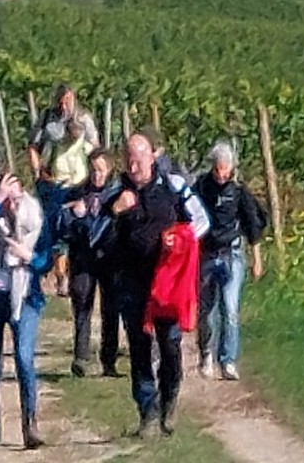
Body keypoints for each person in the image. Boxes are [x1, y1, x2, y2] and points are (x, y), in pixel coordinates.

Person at [107, 131, 206, 437]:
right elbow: (95, 233)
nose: (134, 164)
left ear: (154, 156)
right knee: (139, 347)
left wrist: (181, 241)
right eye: (129, 158)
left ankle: (169, 401)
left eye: (140, 157)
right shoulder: (115, 192)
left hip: (168, 285)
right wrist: (115, 211)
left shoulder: (174, 187)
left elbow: (202, 223)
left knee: (170, 346)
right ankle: (147, 413)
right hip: (132, 283)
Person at [0, 173, 47, 449]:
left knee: (24, 360)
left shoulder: (35, 218)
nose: (12, 205)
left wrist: (31, 258)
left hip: (25, 296)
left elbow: (47, 257)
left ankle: (30, 425)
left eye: (15, 198)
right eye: (7, 199)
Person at [193, 141, 268, 381]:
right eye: (218, 169)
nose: (222, 174)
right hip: (206, 254)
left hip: (232, 254)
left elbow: (254, 225)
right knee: (206, 311)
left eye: (226, 169)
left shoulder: (238, 192)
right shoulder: (201, 187)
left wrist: (257, 259)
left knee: (231, 309)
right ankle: (206, 354)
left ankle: (228, 360)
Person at [60, 148, 125, 378]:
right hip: (83, 257)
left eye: (101, 170)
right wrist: (77, 218)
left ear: (109, 170)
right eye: (93, 170)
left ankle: (109, 360)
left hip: (110, 258)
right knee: (82, 303)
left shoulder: (118, 194)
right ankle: (81, 357)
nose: (97, 175)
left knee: (111, 309)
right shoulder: (77, 194)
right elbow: (63, 228)